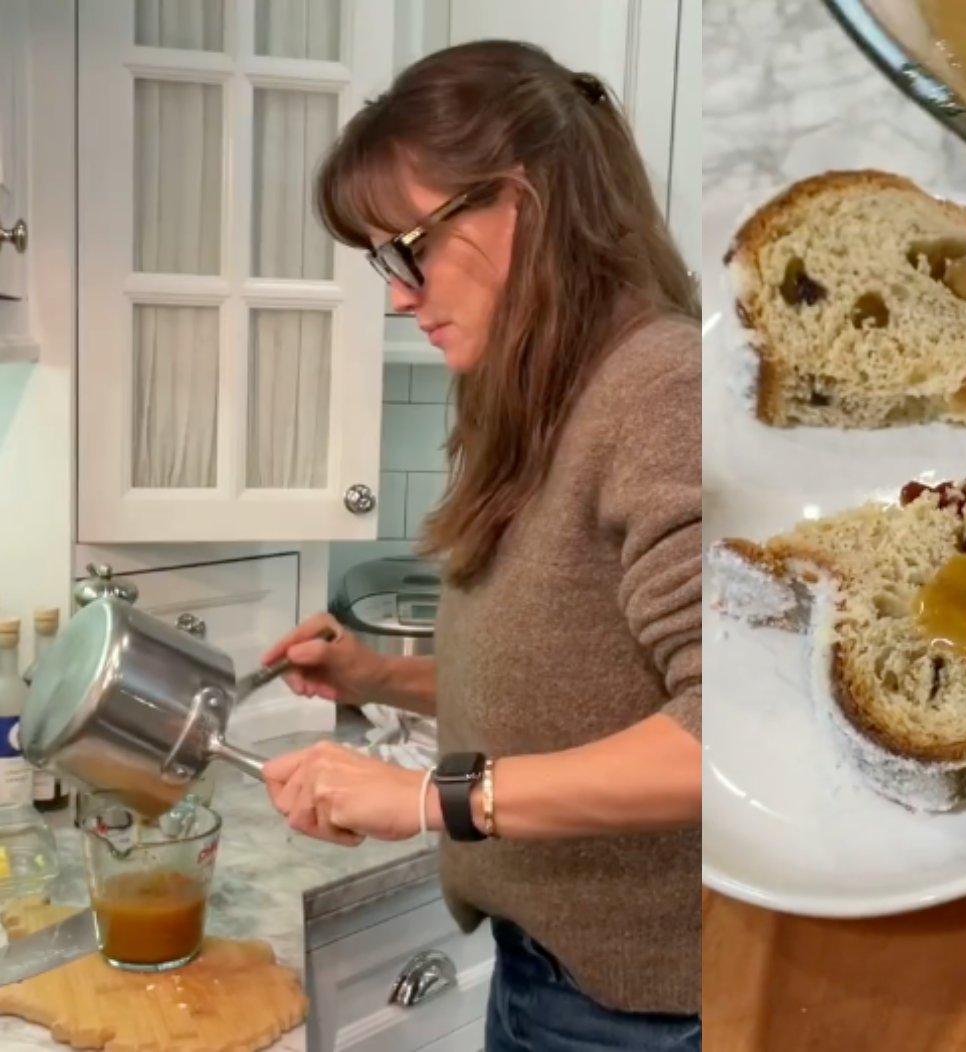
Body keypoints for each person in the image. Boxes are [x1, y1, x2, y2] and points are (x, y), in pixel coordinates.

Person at [259, 40, 701, 1051]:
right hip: (548, 973)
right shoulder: (540, 401)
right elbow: (580, 686)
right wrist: (379, 675)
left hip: (640, 1010)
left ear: (523, 202)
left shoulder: (660, 389)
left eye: (405, 247)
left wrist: (429, 796)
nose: (397, 292)